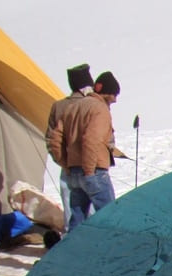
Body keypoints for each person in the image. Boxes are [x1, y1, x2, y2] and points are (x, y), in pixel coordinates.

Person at [48, 71, 121, 231]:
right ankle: (107, 247)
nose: (115, 100)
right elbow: (91, 140)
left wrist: (66, 165)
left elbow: (55, 140)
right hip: (94, 171)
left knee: (77, 219)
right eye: (114, 95)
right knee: (109, 217)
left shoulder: (73, 108)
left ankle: (74, 247)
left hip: (73, 172)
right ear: (106, 92)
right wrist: (89, 171)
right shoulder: (100, 109)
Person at [45, 63, 94, 237]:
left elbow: (51, 139)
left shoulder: (58, 106)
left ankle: (71, 246)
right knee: (93, 212)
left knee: (71, 212)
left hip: (67, 167)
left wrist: (62, 162)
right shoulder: (92, 105)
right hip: (91, 167)